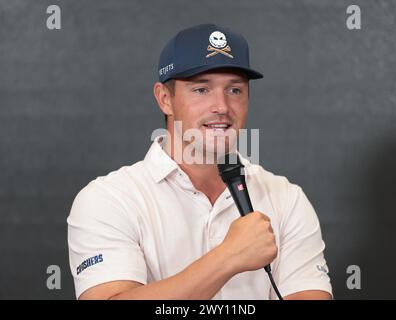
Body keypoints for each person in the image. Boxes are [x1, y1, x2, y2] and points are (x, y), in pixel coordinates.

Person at [67, 24, 332, 300]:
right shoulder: (109, 199)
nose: (222, 106)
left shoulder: (285, 198)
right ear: (165, 99)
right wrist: (228, 257)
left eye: (235, 90)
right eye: (201, 89)